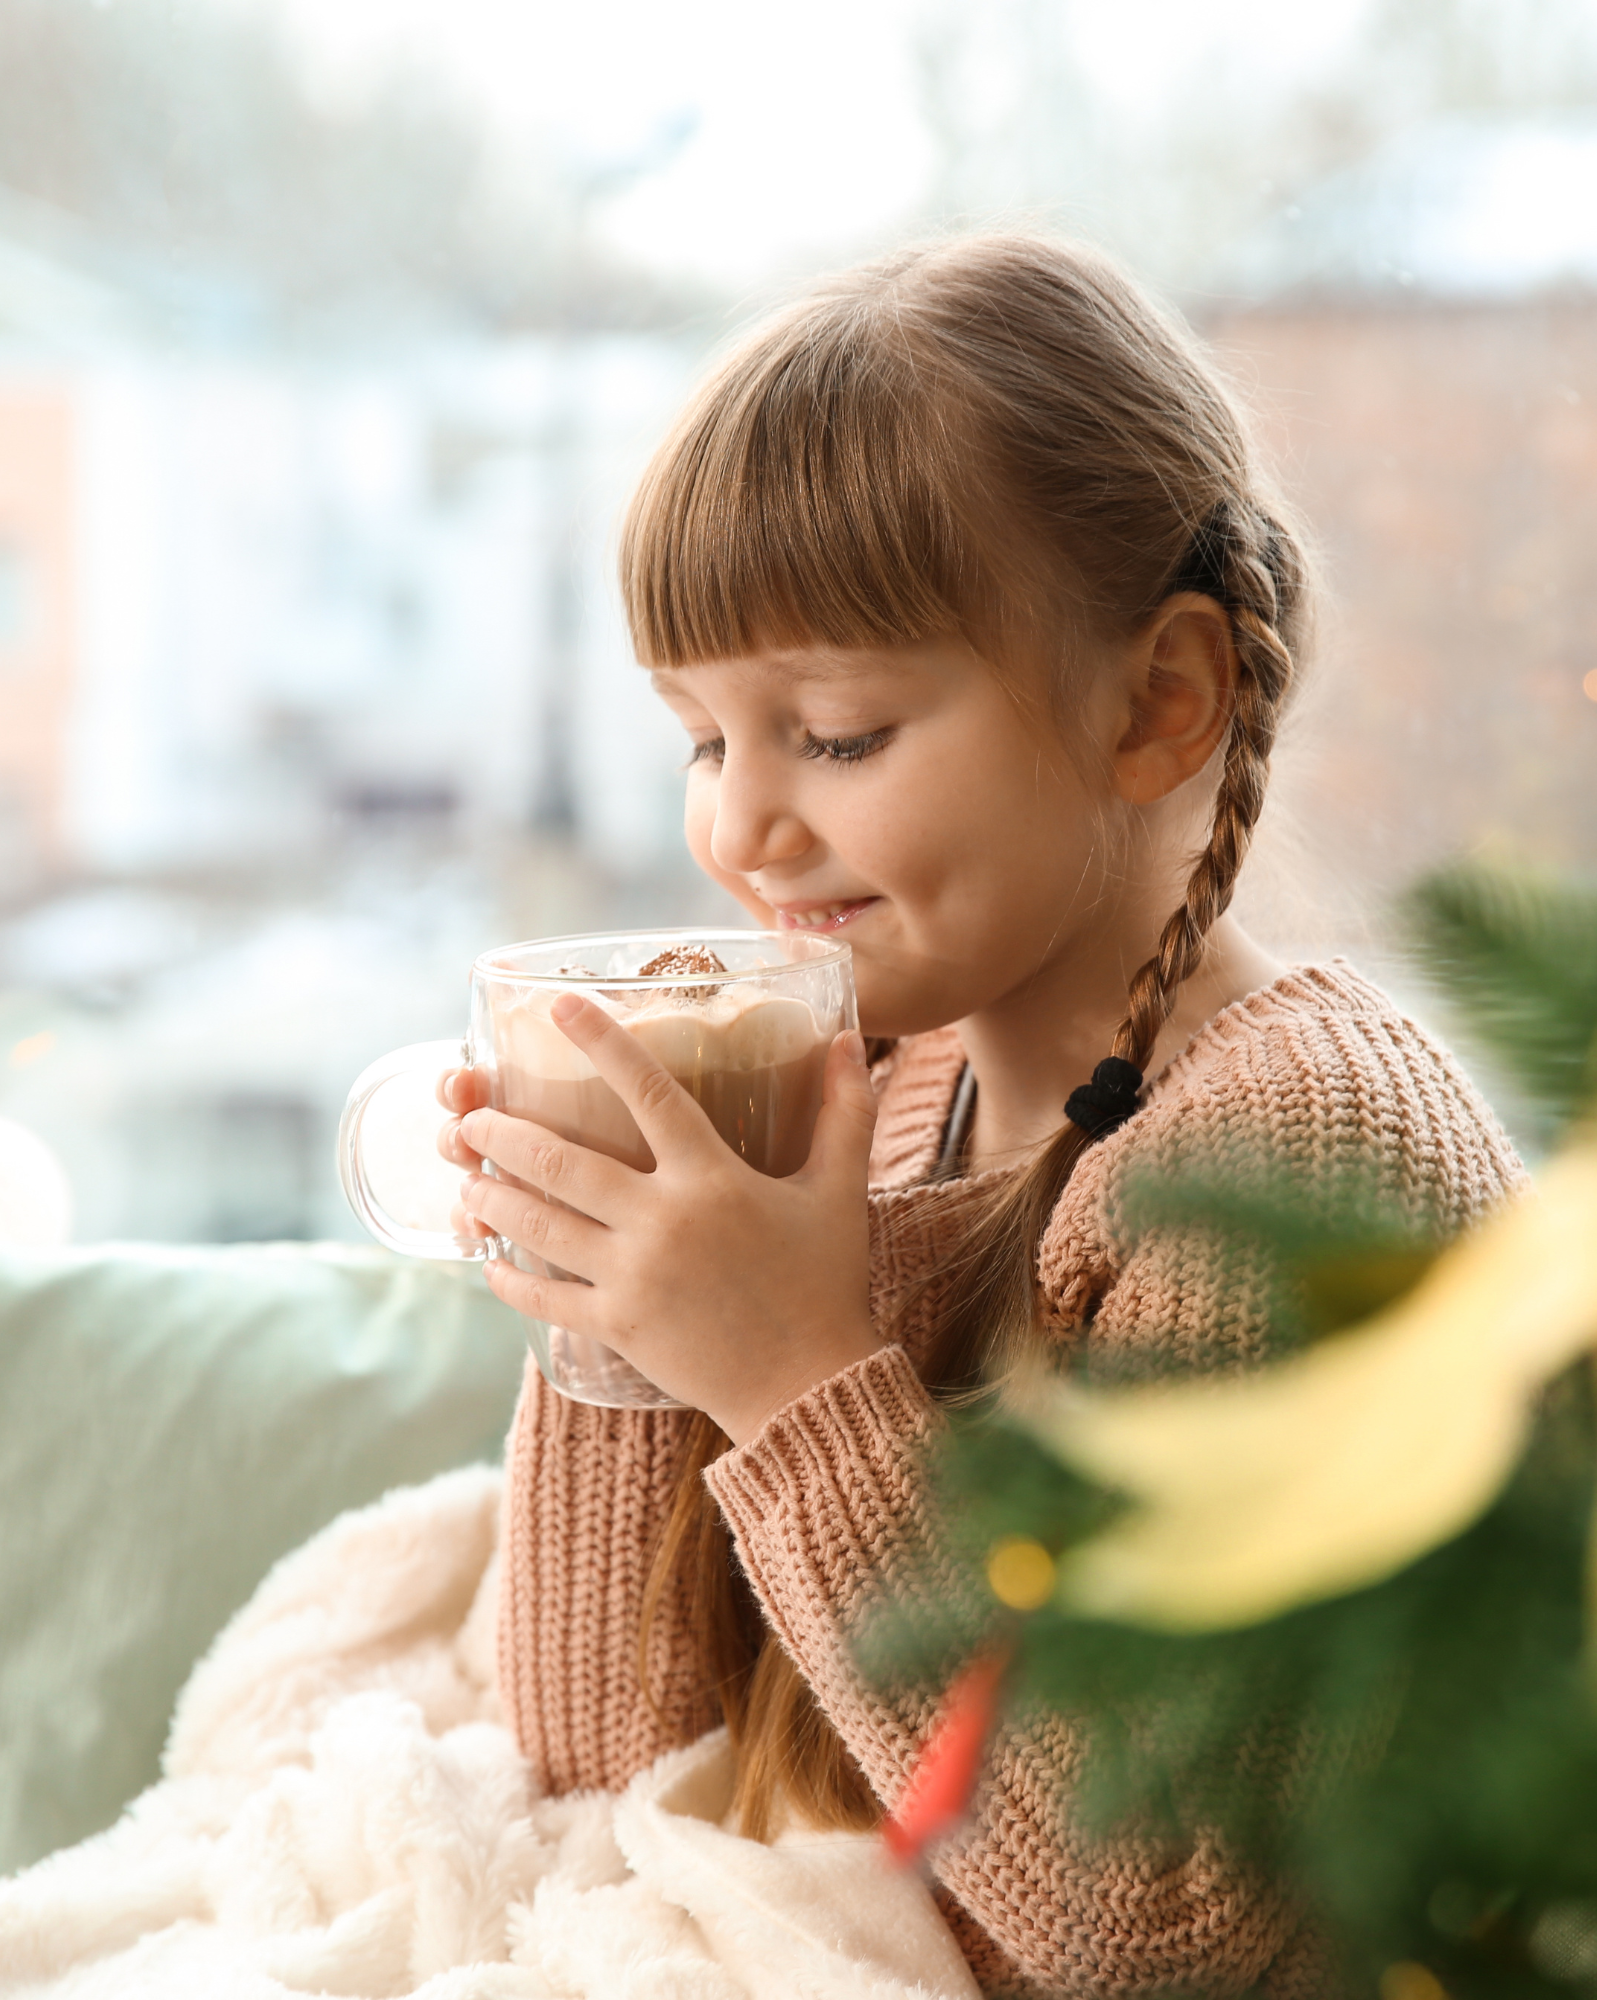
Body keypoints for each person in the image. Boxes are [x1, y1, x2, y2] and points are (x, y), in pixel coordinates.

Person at [438, 233, 1525, 1997]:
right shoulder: (877, 1093)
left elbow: (1162, 1928)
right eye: (706, 741)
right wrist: (619, 1326)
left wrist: (795, 1378)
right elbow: (605, 1776)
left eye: (839, 734)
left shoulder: (1293, 1159)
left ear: (1159, 703)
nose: (740, 834)